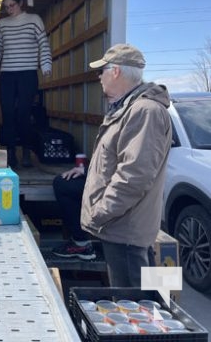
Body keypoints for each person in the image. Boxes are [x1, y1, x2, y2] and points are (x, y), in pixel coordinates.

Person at [80, 43, 172, 287]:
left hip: (125, 232)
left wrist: (99, 213)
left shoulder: (145, 111)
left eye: (102, 71)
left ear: (116, 71)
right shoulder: (129, 108)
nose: (99, 77)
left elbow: (134, 177)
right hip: (121, 228)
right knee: (139, 307)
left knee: (135, 310)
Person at [0, 0, 52, 168]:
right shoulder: (3, 24)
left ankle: (26, 151)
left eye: (12, 5)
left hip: (27, 74)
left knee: (23, 114)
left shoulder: (34, 20)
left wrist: (46, 65)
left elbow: (43, 45)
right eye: (6, 7)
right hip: (7, 74)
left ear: (21, 3)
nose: (9, 10)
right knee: (7, 115)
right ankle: (10, 153)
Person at [51, 166, 96, 260]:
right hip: (111, 182)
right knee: (67, 181)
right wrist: (86, 171)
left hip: (113, 187)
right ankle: (81, 241)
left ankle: (81, 243)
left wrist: (87, 172)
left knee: (62, 184)